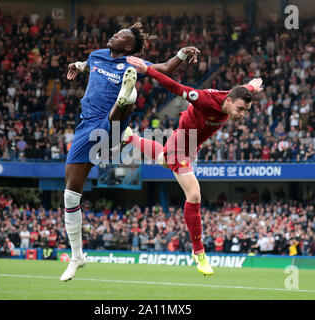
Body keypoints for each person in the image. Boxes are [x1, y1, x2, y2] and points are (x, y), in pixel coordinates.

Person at [60, 22, 200, 281]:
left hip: (111, 122)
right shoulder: (97, 55)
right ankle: (77, 256)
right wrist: (79, 66)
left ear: (127, 46)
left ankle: (127, 96)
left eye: (120, 35)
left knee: (122, 107)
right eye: (115, 32)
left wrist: (181, 53)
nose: (114, 34)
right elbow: (88, 64)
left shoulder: (133, 60)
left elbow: (165, 69)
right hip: (86, 127)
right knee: (70, 195)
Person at [124, 55, 263, 275]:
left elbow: (240, 91)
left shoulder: (234, 98)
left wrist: (251, 87)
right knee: (194, 194)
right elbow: (175, 86)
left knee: (162, 159)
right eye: (240, 110)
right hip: (183, 142)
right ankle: (199, 253)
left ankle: (130, 138)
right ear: (227, 101)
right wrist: (146, 70)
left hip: (192, 144)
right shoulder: (205, 99)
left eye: (245, 111)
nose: (242, 115)